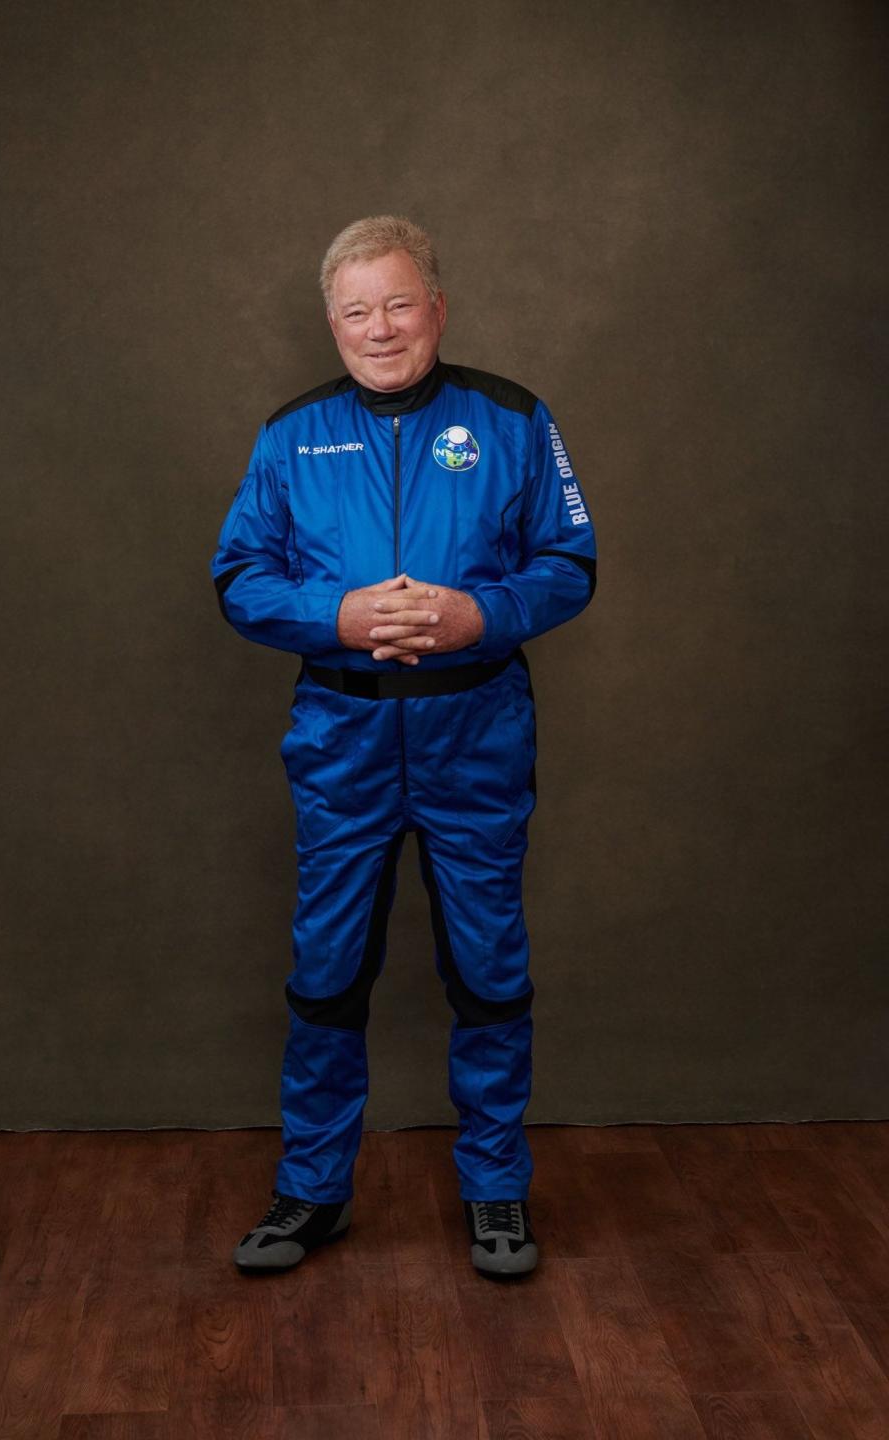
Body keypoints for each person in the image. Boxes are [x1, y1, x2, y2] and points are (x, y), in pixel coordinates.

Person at [210, 215, 597, 1278]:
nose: (378, 329)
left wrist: (483, 616)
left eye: (396, 304)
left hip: (475, 734)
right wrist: (335, 618)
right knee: (328, 971)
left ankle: (497, 1192)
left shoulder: (511, 419)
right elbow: (239, 578)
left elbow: (571, 561)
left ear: (436, 307)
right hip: (343, 741)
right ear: (331, 324)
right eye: (354, 311)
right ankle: (311, 1191)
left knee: (487, 969)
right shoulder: (290, 438)